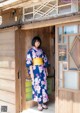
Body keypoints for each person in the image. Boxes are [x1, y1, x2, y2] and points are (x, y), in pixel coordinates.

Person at [26, 36, 49, 111]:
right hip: (35, 71)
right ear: (33, 42)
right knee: (37, 87)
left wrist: (46, 70)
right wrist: (31, 73)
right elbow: (29, 63)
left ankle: (43, 103)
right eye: (36, 42)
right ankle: (39, 104)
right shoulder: (30, 51)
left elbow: (45, 60)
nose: (37, 43)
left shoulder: (42, 51)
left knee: (43, 86)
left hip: (42, 70)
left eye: (38, 42)